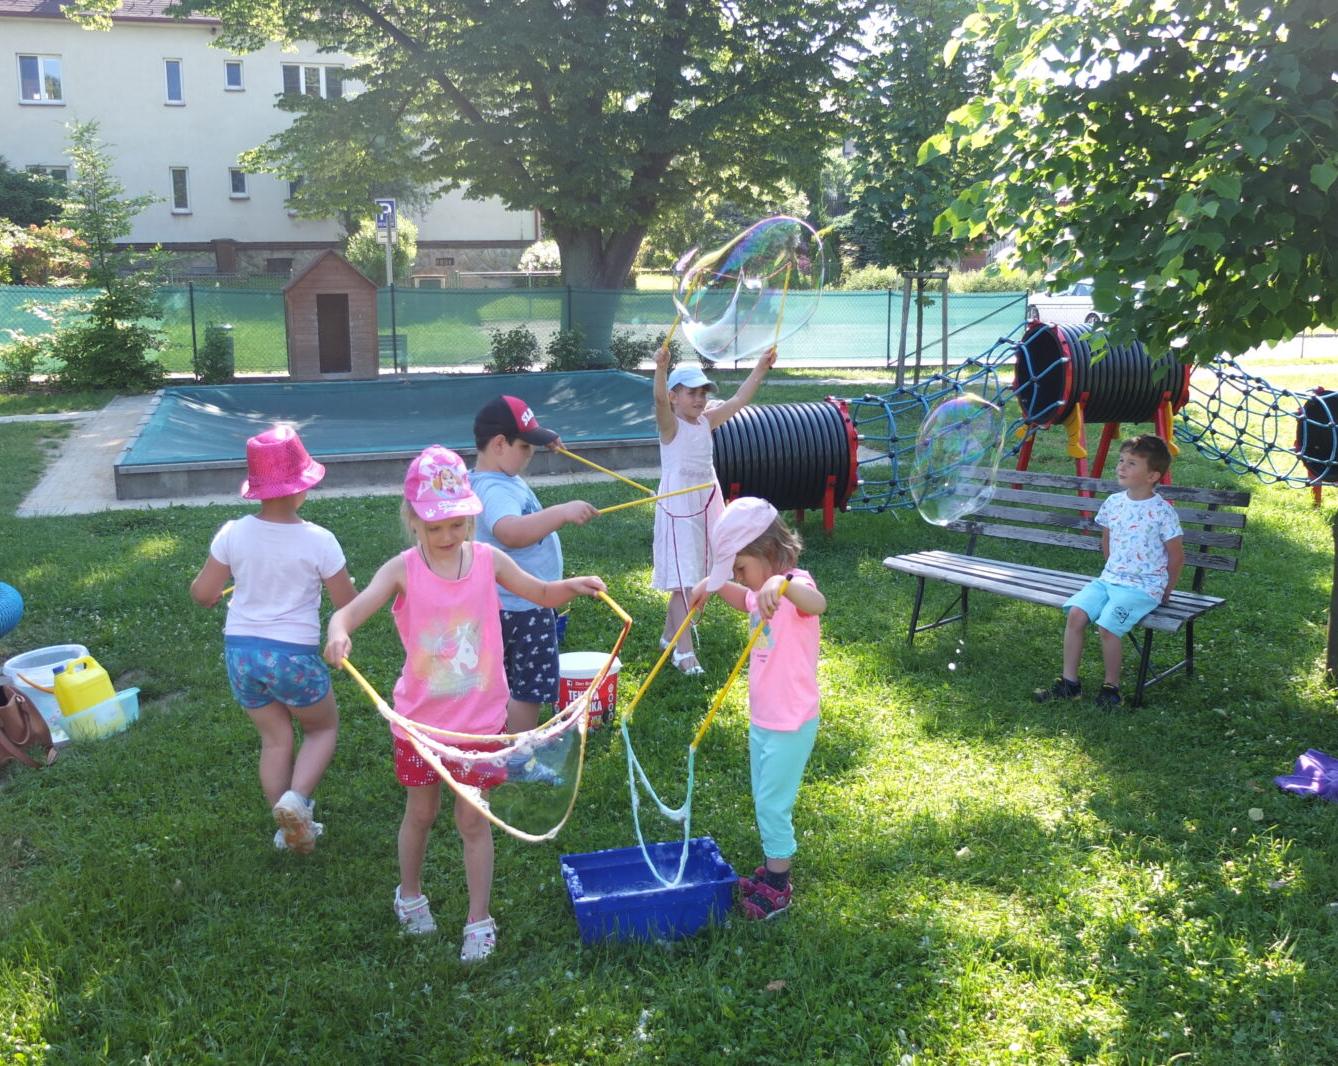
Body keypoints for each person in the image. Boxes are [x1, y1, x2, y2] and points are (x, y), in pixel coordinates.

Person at [323, 445, 605, 960]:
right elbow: (349, 612)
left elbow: (540, 592)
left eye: (456, 524)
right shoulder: (402, 570)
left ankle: (479, 917)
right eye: (435, 528)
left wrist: (571, 586)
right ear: (413, 523)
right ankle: (408, 895)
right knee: (421, 813)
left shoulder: (489, 561)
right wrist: (338, 633)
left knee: (474, 820)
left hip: (481, 725)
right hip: (420, 726)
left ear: (470, 516)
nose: (448, 536)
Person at [190, 426, 356, 854]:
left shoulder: (232, 533)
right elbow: (346, 605)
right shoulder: (320, 541)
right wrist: (343, 585)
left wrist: (220, 590)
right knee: (321, 729)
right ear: (302, 489)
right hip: (293, 657)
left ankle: (286, 830)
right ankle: (296, 800)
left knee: (275, 739)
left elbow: (203, 594)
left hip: (242, 656)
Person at [690, 497, 826, 919]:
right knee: (763, 796)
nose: (739, 578)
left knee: (772, 804)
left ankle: (779, 887)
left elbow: (816, 603)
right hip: (765, 718)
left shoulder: (794, 586)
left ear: (768, 554)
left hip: (791, 721)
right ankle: (770, 871)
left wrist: (782, 585)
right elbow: (744, 601)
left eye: (740, 569)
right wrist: (713, 587)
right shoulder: (758, 592)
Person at [471, 395, 598, 732]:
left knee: (506, 681)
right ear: (500, 444)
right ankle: (516, 754)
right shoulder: (496, 489)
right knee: (528, 688)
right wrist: (561, 513)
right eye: (526, 446)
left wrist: (541, 439)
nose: (530, 455)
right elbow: (510, 532)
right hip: (523, 607)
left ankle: (501, 744)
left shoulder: (491, 478)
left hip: (510, 604)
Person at [1034, 434, 1184, 708]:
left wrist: (1166, 589)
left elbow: (1176, 556)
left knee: (1107, 625)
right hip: (1109, 579)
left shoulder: (1163, 512)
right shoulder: (1114, 502)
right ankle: (1070, 684)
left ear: (1152, 475)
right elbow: (1107, 538)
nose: (1122, 467)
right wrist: (1112, 567)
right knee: (1077, 615)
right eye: (1121, 461)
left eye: (1132, 463)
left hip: (1143, 587)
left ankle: (1111, 688)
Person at [652, 343, 776, 674]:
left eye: (703, 392)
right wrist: (661, 370)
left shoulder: (706, 422)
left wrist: (761, 368)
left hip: (706, 502)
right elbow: (659, 401)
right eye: (691, 392)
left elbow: (738, 401)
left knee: (695, 571)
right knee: (684, 577)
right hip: (679, 506)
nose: (699, 399)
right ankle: (683, 652)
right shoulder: (671, 427)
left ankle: (669, 635)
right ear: (675, 396)